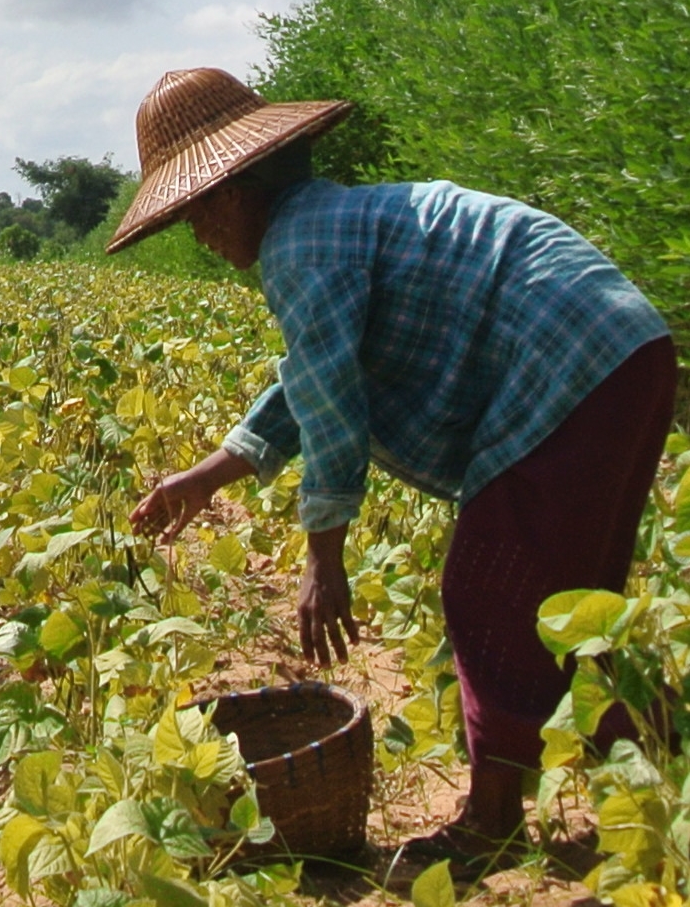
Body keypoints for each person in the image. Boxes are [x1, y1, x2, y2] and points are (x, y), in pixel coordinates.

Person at [112, 68, 674, 875]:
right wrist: (207, 475)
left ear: (233, 193)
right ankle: (663, 758)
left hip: (568, 362)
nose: (199, 236)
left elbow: (333, 406)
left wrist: (324, 558)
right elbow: (310, 376)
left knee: (487, 590)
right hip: (620, 351)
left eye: (194, 214)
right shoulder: (328, 222)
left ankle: (491, 820)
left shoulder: (299, 242)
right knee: (572, 609)